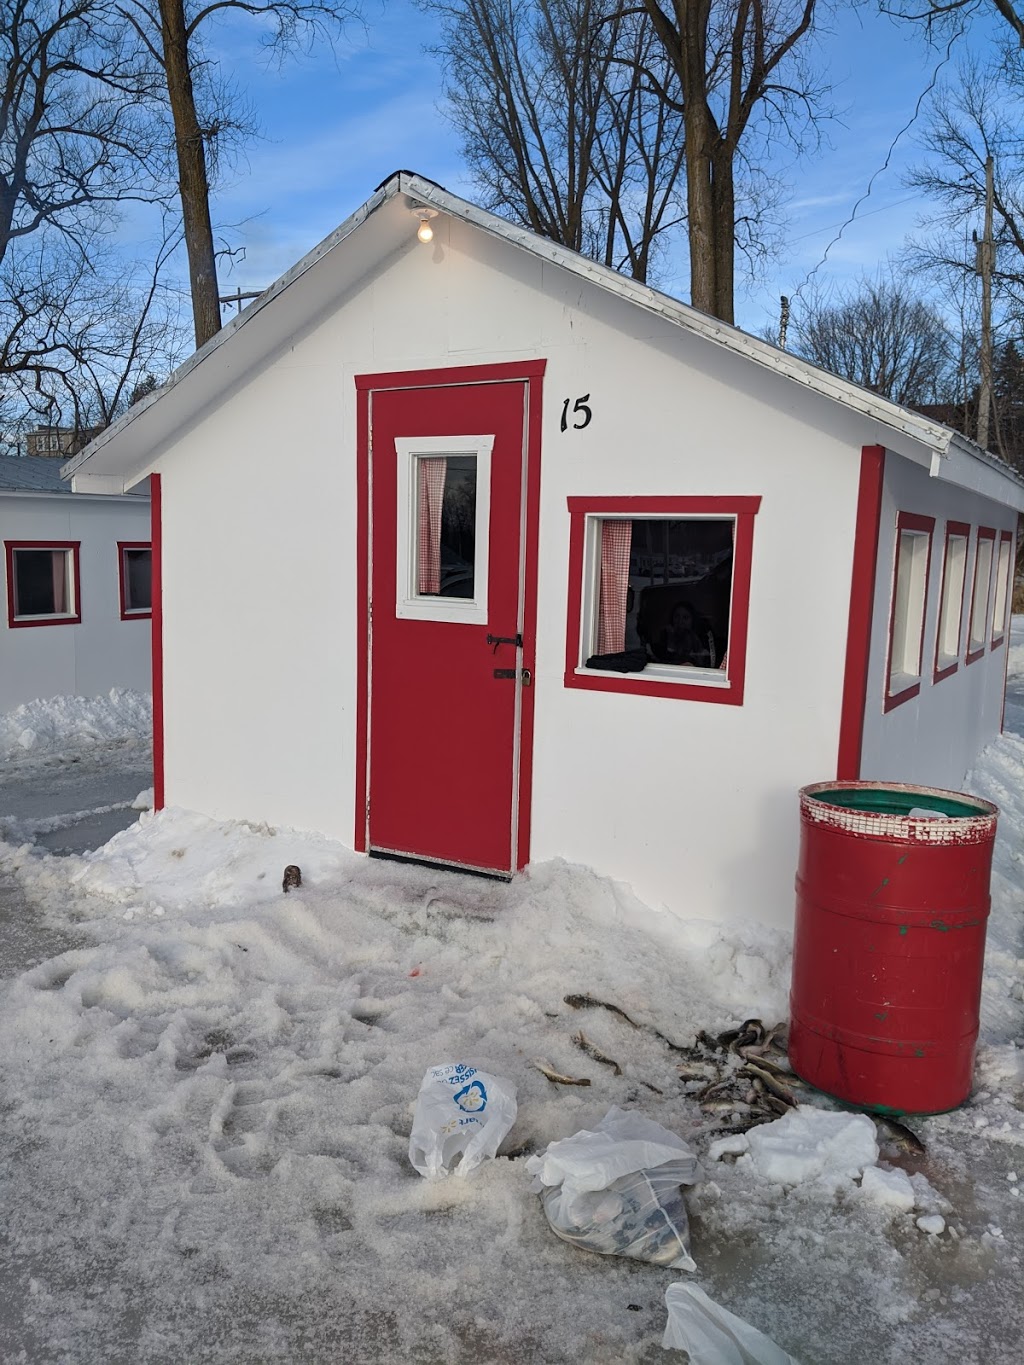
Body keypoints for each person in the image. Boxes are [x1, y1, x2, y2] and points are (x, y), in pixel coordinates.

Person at [656, 601, 716, 667]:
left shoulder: (701, 640)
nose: (680, 621)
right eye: (677, 616)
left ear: (692, 621)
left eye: (685, 617)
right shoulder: (665, 637)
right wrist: (671, 642)